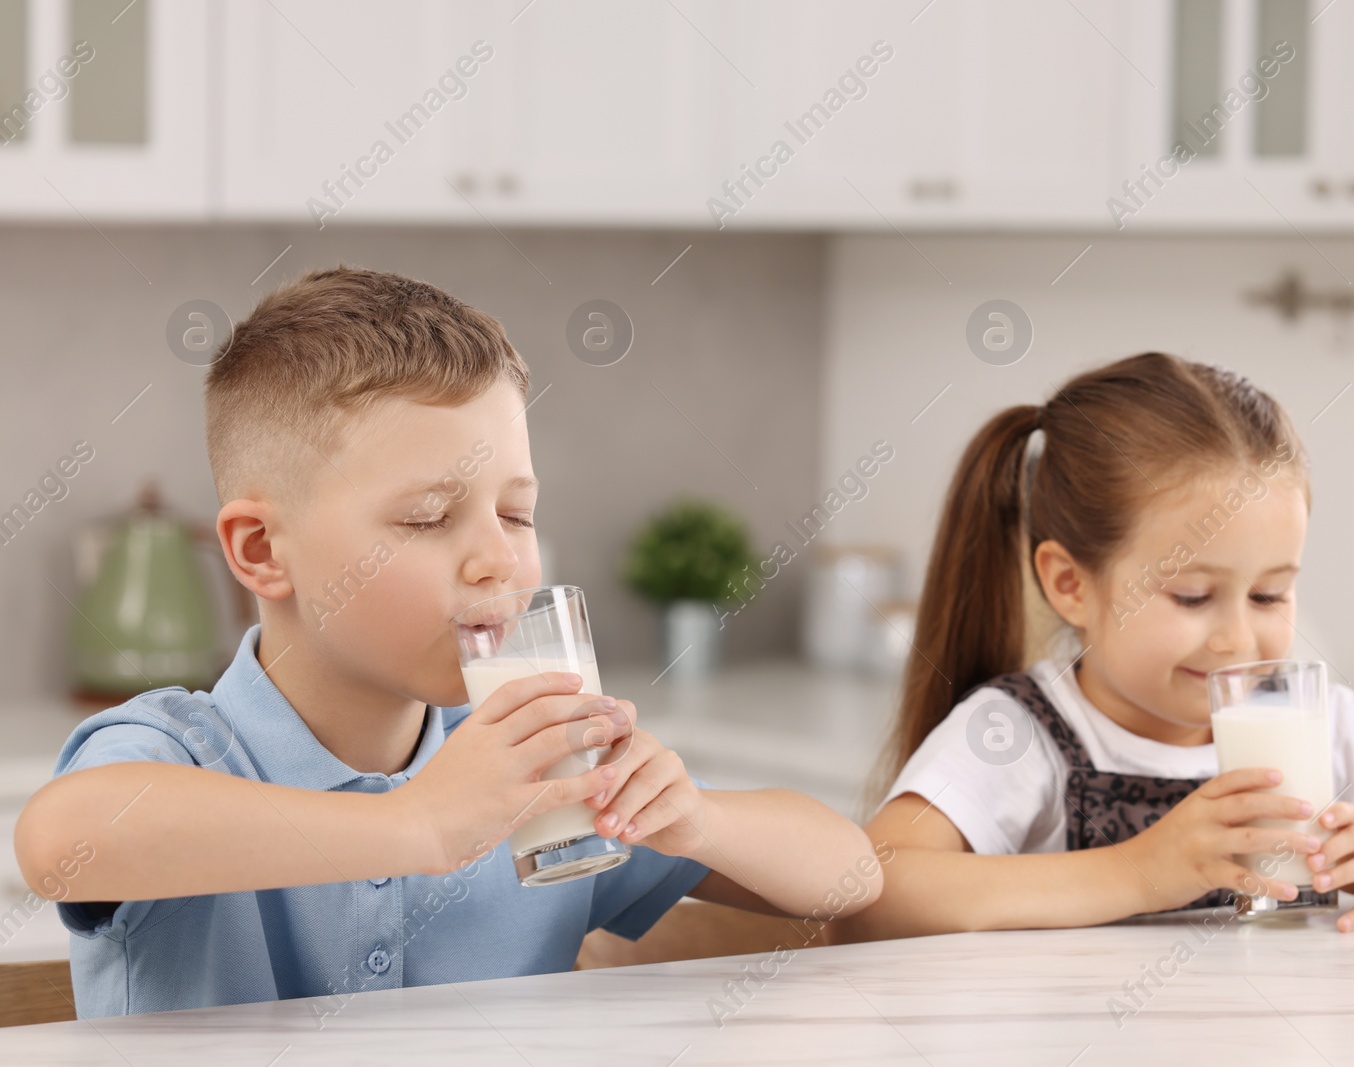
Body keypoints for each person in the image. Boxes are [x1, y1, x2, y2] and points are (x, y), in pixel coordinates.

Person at [15, 266, 882, 1019]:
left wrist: (701, 818)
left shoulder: (534, 778)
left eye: (515, 512)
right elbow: (63, 839)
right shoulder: (183, 753)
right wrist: (412, 823)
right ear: (261, 551)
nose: (500, 558)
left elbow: (852, 875)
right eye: (428, 517)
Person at [835, 351, 1354, 940]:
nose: (1238, 638)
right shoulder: (1020, 732)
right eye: (1191, 595)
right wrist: (1137, 872)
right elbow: (870, 888)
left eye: (1270, 594)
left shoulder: (1314, 726)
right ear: (1070, 583)